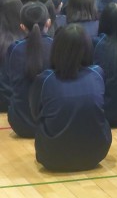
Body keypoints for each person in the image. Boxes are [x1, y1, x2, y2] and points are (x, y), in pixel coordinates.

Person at [30, 24, 111, 171]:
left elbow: (35, 114)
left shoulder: (45, 79)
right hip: (95, 155)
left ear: (56, 49)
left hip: (51, 157)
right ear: (88, 48)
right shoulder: (97, 73)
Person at [7, 2, 53, 137]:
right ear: (48, 23)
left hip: (20, 124)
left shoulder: (14, 48)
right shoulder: (56, 45)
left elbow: (12, 83)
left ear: (22, 26)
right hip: (51, 123)